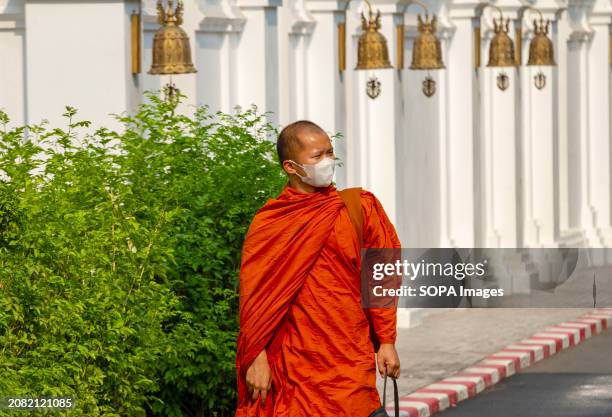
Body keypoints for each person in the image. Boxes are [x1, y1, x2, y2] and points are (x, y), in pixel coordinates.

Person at [234, 120, 402, 417]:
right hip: (293, 363)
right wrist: (255, 356)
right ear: (291, 167)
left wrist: (386, 341)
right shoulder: (272, 222)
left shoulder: (358, 208)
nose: (328, 161)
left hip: (348, 357)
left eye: (330, 152)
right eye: (317, 156)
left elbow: (383, 277)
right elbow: (254, 299)